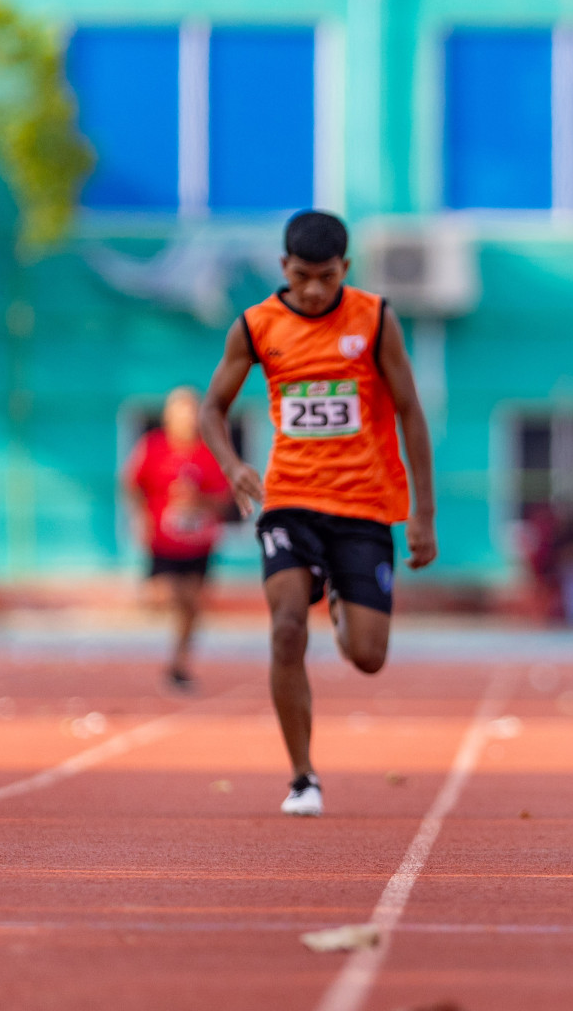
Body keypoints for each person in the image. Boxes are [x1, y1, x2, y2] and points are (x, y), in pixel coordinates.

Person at [199, 210, 437, 817]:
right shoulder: (255, 326)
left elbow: (410, 412)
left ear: (345, 270)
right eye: (302, 276)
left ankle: (333, 593)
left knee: (368, 656)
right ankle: (303, 776)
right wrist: (232, 467)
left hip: (362, 505)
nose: (312, 289)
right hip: (289, 502)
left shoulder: (375, 318)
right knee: (284, 629)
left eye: (326, 277)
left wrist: (423, 514)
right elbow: (211, 411)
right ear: (283, 267)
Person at [124, 386, 231, 692]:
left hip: (199, 543)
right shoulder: (153, 447)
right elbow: (131, 483)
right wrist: (139, 516)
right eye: (181, 411)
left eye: (192, 411)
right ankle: (160, 637)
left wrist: (200, 503)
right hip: (162, 541)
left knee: (192, 605)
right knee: (166, 596)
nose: (187, 418)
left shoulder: (209, 451)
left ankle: (179, 663)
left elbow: (223, 499)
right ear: (169, 416)